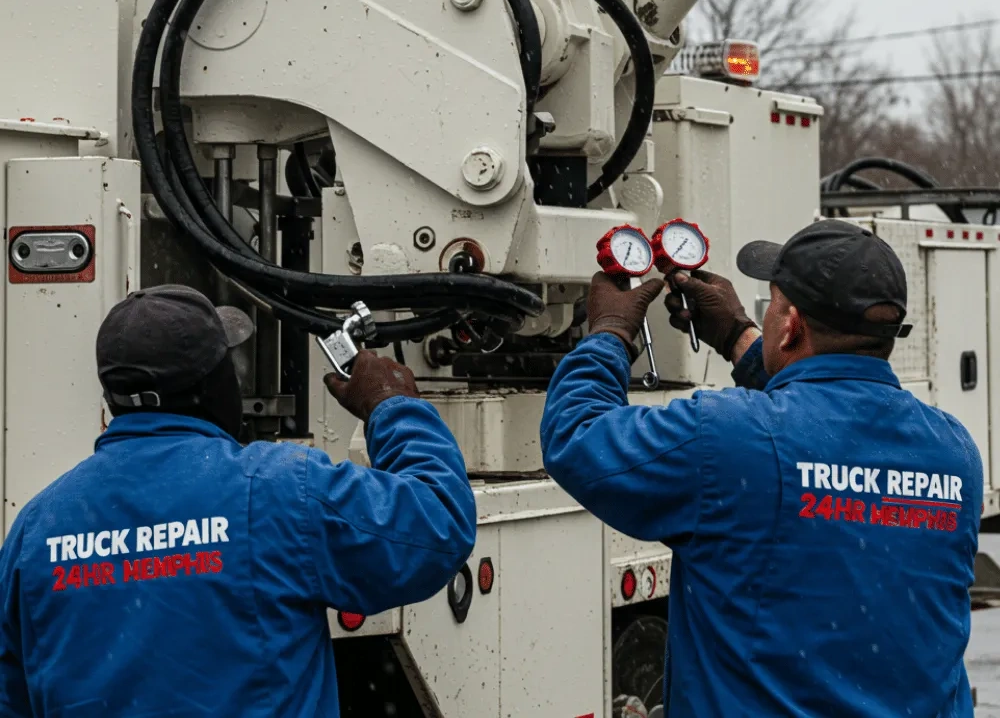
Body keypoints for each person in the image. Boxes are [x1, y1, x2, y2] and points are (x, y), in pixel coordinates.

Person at [541, 220, 982, 718]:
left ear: (791, 324)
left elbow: (577, 436)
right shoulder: (953, 453)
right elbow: (813, 443)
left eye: (770, 305)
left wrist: (609, 333)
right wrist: (738, 338)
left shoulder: (724, 439)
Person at [0, 285, 476, 717]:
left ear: (111, 397)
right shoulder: (279, 488)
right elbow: (437, 523)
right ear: (213, 386)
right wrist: (393, 408)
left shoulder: (37, 529)